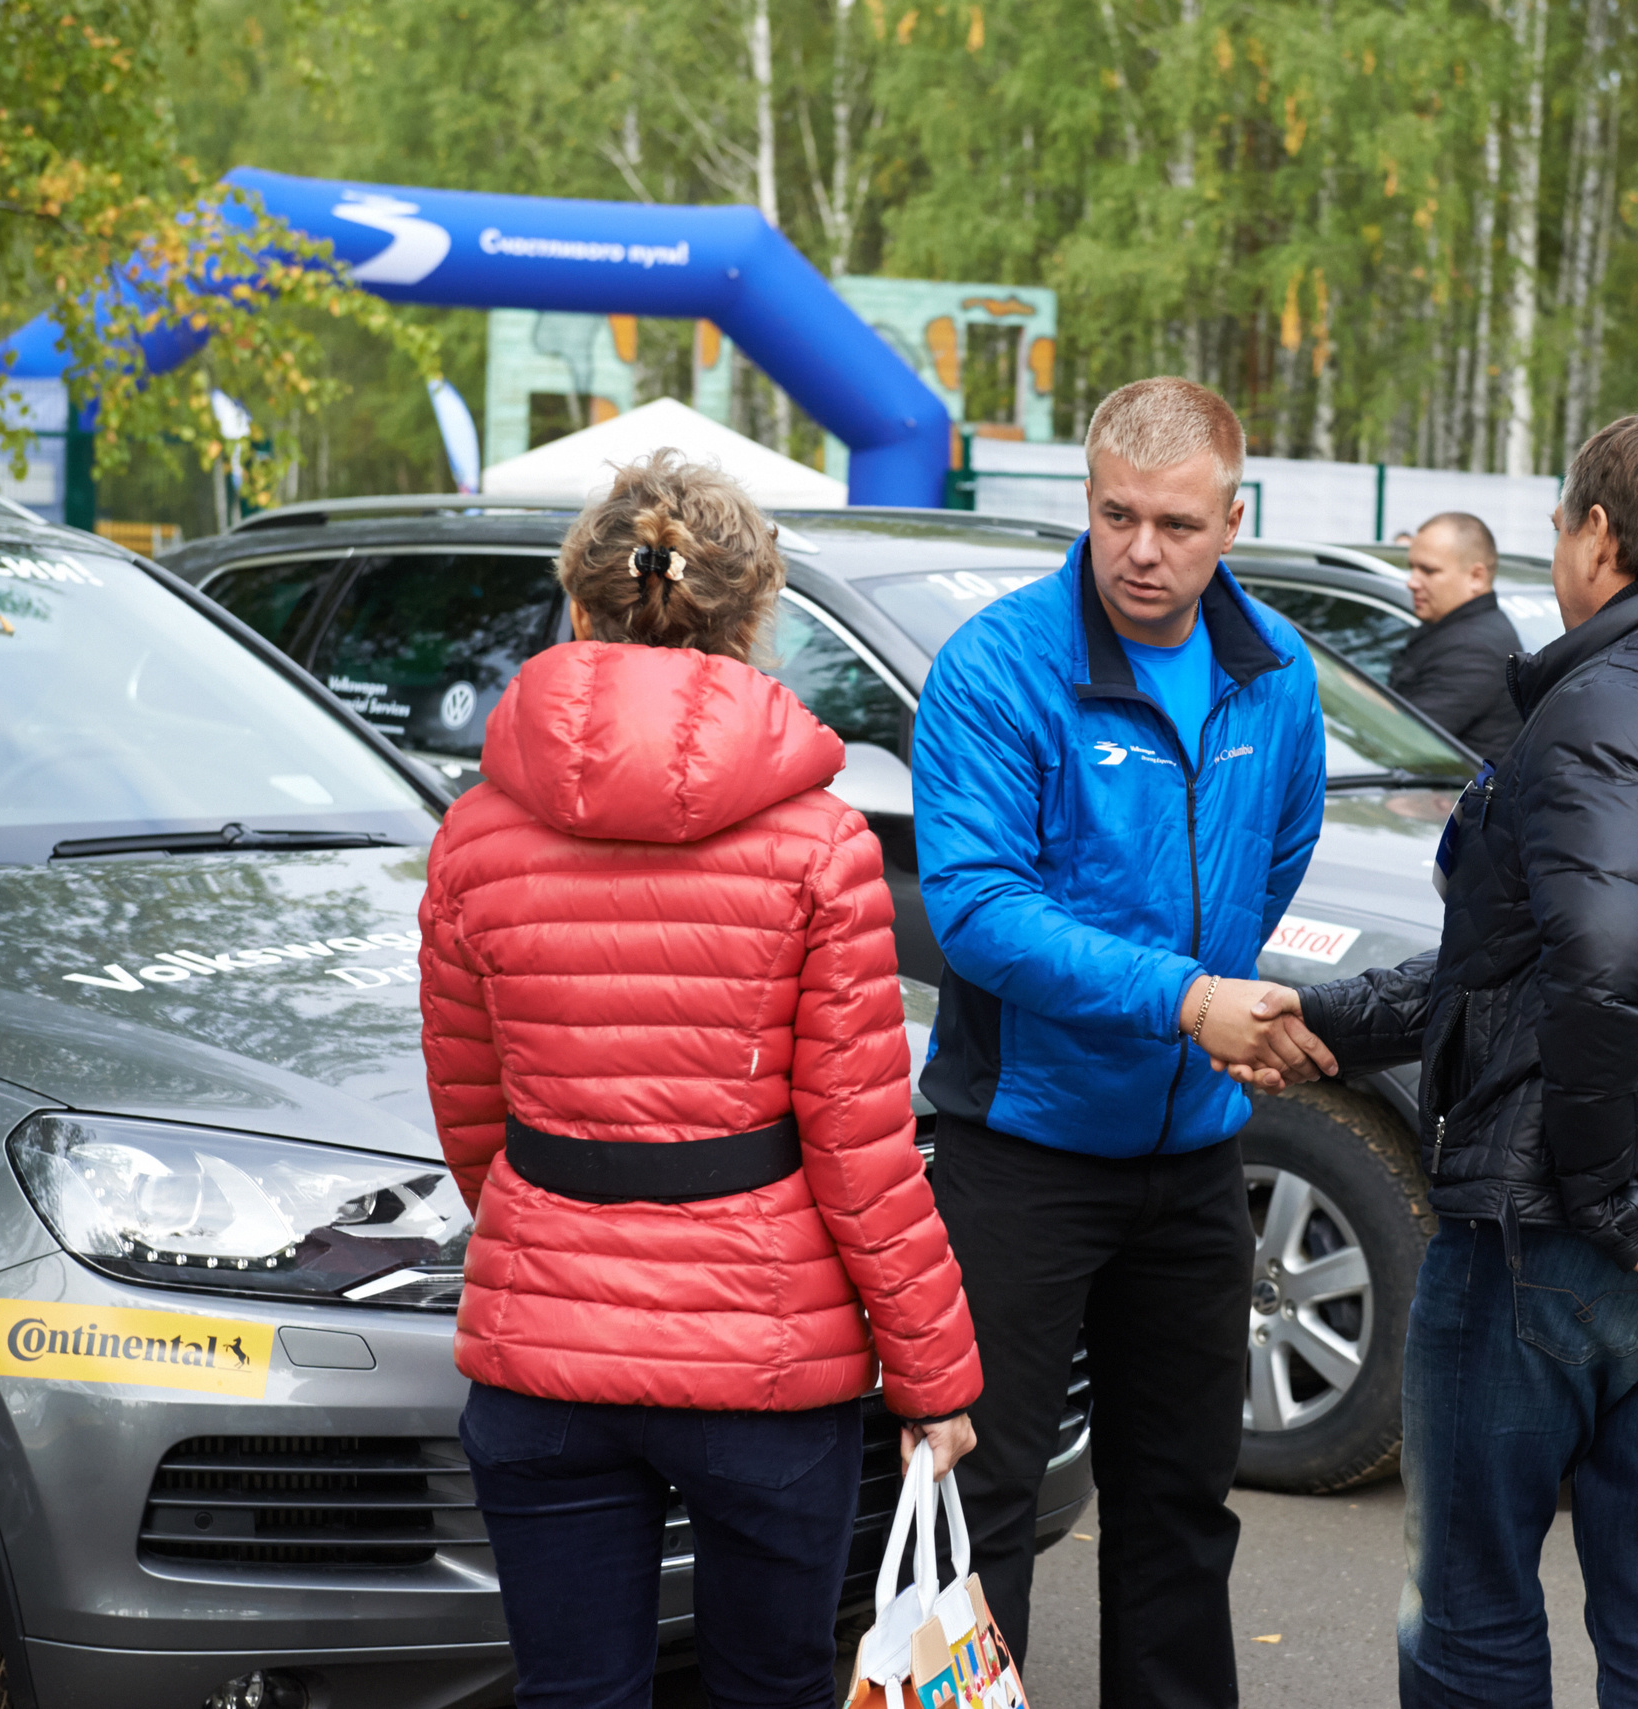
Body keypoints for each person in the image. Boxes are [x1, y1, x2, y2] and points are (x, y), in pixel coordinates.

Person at [1255, 408, 1638, 1709]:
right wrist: (1324, 1028)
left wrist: (1615, 1196)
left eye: (1560, 525)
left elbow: (1612, 968)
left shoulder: (1601, 705)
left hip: (1560, 1236)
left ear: (1598, 536)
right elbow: (1515, 966)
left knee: (1470, 1613)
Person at [419, 453, 982, 1709]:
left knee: (573, 1691)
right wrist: (935, 1374)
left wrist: (556, 1232)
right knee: (770, 1682)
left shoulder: (474, 832)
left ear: (578, 605)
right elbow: (861, 1147)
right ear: (753, 614)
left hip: (545, 1349)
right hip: (766, 1365)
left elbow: (471, 1111)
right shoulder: (820, 843)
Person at [909, 375, 1332, 1708]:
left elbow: (1280, 853)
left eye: (1179, 524)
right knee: (980, 1508)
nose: (1144, 552)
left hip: (1194, 1157)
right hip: (1021, 1152)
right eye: (1117, 517)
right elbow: (974, 909)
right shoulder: (1001, 665)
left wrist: (1211, 1005)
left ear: (1234, 519)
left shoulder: (1275, 675)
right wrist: (1185, 998)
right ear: (1084, 505)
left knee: (1181, 1507)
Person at [1390, 511, 1524, 762]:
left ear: (1476, 577)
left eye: (1428, 571)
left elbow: (1399, 741)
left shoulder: (1475, 649)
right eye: (1412, 568)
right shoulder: (1454, 630)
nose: (1412, 582)